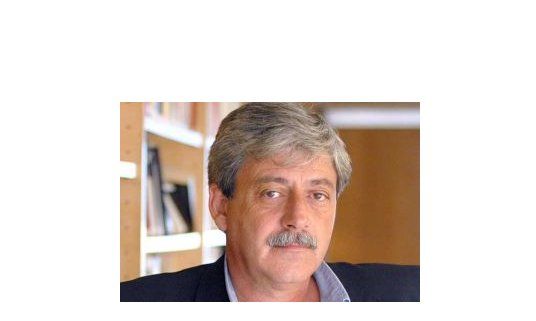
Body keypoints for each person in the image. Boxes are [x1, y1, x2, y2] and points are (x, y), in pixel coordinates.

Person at [121, 103, 419, 302]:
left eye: (317, 195)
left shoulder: (409, 294)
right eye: (272, 193)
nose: (298, 218)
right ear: (221, 206)